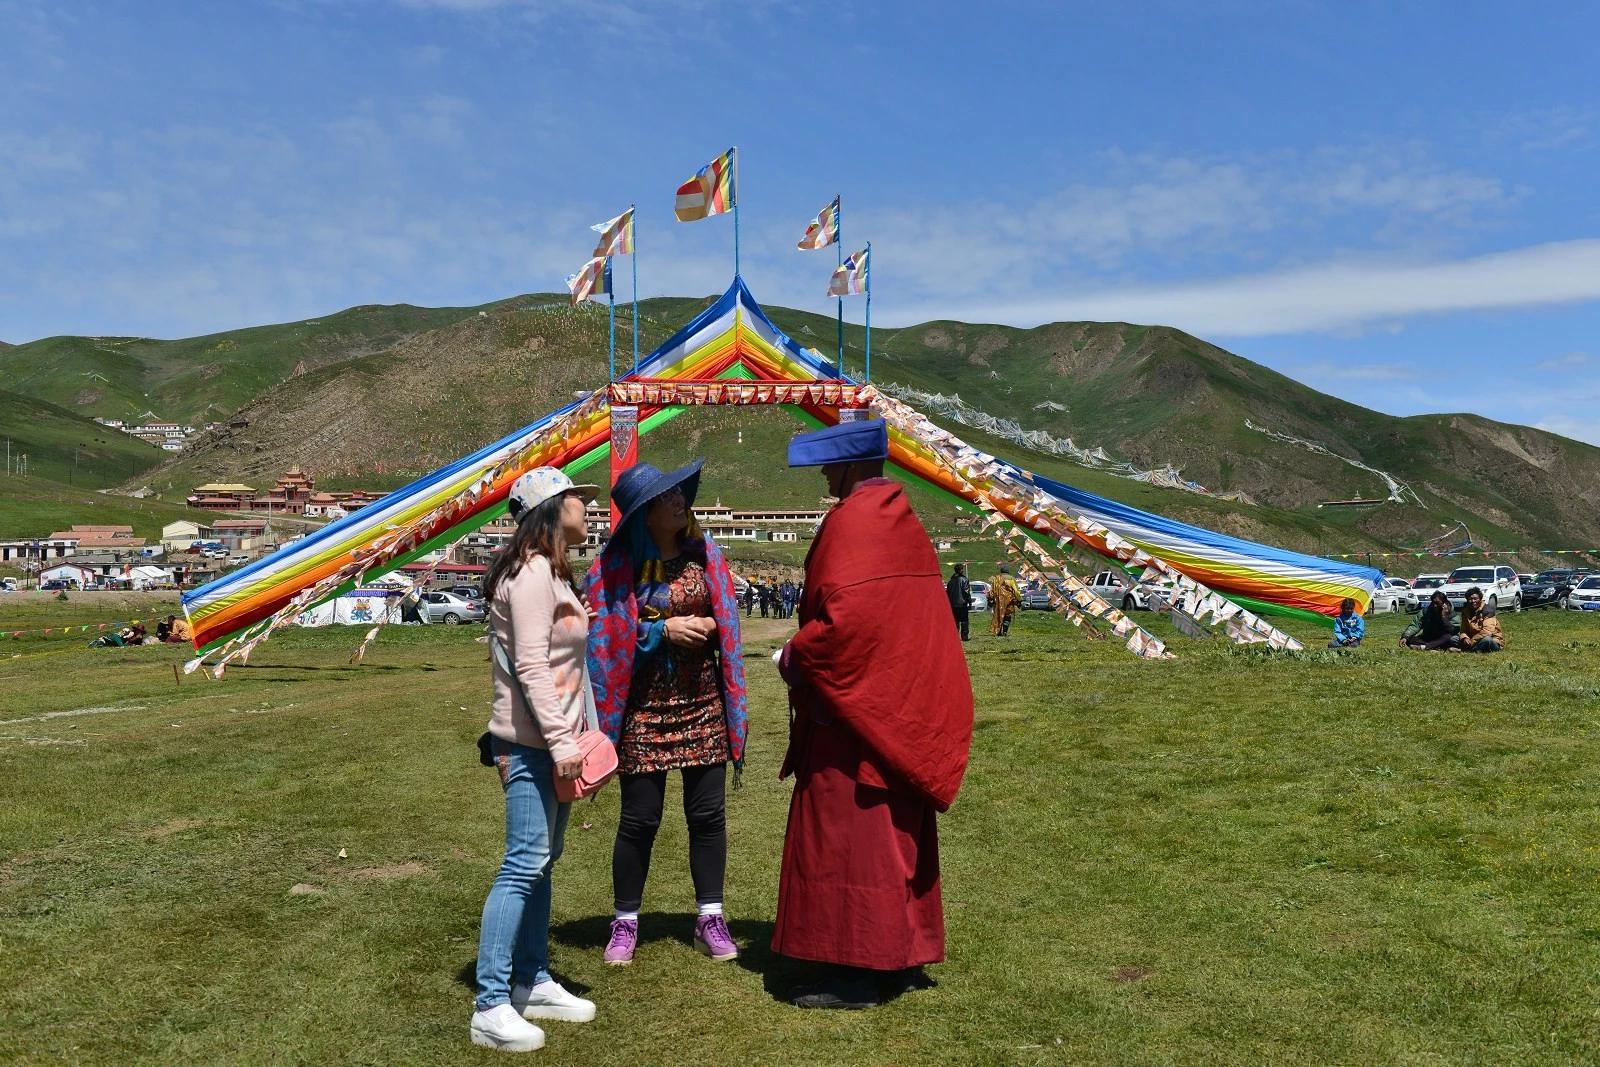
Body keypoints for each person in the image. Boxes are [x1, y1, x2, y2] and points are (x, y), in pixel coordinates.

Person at [773, 420, 974, 1010]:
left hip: (853, 723)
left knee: (851, 842)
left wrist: (796, 655)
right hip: (895, 707)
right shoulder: (901, 520)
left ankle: (854, 970)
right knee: (894, 840)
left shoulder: (851, 521)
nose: (825, 475)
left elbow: (847, 624)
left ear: (853, 466)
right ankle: (899, 957)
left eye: (831, 465)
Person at [585, 460, 748, 967]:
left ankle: (710, 918)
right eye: (665, 497)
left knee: (708, 815)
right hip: (642, 709)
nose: (679, 501)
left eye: (679, 493)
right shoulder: (616, 569)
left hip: (703, 703)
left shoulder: (706, 555)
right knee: (640, 818)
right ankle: (625, 922)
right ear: (644, 514)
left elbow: (728, 621)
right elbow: (602, 635)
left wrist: (712, 626)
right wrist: (661, 631)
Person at [471, 467, 600, 1053]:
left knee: (543, 862)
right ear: (550, 509)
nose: (585, 506)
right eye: (576, 498)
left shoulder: (551, 573)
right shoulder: (529, 576)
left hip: (553, 742)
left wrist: (580, 735)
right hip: (530, 745)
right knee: (523, 863)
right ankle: (490, 1003)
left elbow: (567, 666)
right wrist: (563, 742)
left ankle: (532, 979)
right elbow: (530, 667)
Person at [1456, 587, 1506, 653]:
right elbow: (1463, 630)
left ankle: (1467, 650)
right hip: (1473, 639)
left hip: (1491, 639)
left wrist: (1472, 641)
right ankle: (1470, 648)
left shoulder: (1488, 611)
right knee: (1454, 638)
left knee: (1487, 640)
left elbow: (1487, 632)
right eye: (1470, 599)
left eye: (1475, 599)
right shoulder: (1465, 612)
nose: (1473, 601)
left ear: (1480, 599)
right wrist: (1465, 638)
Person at [990, 565, 1020, 636]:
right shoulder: (1011, 578)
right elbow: (1016, 591)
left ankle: (998, 631)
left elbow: (992, 590)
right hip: (1009, 601)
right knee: (1007, 616)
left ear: (1001, 571)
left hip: (998, 601)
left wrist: (991, 598)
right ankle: (1005, 631)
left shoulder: (996, 578)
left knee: (999, 615)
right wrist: (1019, 599)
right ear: (1008, 571)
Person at [946, 563, 972, 641]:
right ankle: (964, 636)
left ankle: (955, 637)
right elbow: (966, 592)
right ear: (961, 570)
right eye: (962, 569)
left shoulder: (950, 581)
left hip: (953, 604)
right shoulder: (964, 579)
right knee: (964, 620)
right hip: (962, 603)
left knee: (955, 620)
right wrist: (969, 601)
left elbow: (948, 593)